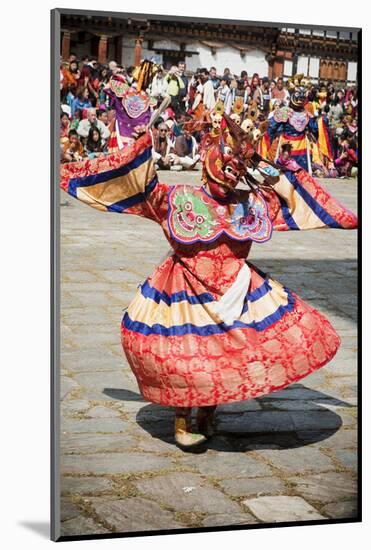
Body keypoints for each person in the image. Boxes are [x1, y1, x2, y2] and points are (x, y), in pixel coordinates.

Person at [60, 84, 357, 449]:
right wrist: (141, 143)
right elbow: (144, 190)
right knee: (186, 353)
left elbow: (295, 200)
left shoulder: (252, 203)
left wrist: (267, 169)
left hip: (237, 288)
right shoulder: (178, 199)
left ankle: (208, 413)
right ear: (209, 166)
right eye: (227, 165)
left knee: (225, 353)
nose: (232, 174)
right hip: (184, 289)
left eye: (238, 167)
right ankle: (183, 418)